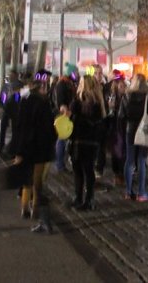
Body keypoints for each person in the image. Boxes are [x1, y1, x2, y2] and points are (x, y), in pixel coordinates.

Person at [15, 76, 58, 225]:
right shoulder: (43, 103)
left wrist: (18, 147)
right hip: (40, 146)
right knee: (37, 180)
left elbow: (19, 125)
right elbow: (48, 126)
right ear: (41, 88)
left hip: (25, 145)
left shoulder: (24, 101)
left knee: (26, 177)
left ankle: (24, 207)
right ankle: (35, 208)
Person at [69, 75, 105, 210]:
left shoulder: (80, 101)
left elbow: (74, 119)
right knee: (87, 170)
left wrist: (72, 116)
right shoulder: (98, 102)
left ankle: (82, 198)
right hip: (91, 141)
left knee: (79, 170)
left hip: (80, 140)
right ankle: (86, 198)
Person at [119, 74, 148, 202]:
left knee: (129, 161)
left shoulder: (126, 96)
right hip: (143, 132)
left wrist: (122, 131)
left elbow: (121, 116)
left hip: (130, 131)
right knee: (141, 161)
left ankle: (128, 192)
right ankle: (141, 192)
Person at [52, 73, 76, 172]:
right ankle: (60, 164)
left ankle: (61, 164)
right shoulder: (62, 85)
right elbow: (61, 102)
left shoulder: (65, 83)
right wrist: (65, 110)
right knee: (62, 139)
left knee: (62, 139)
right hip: (64, 115)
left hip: (64, 113)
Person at [0, 70, 23, 155]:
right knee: (3, 129)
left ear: (16, 76)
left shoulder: (20, 85)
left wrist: (16, 101)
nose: (10, 77)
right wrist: (2, 105)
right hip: (6, 109)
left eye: (12, 75)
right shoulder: (6, 85)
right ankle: (1, 147)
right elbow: (3, 97)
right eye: (9, 75)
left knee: (15, 130)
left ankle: (14, 148)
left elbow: (18, 99)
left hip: (15, 111)